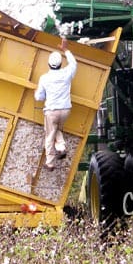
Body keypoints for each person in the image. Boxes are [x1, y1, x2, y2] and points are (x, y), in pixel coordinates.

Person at [34, 37, 77, 170]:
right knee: (57, 129)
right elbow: (74, 63)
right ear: (60, 64)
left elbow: (39, 97)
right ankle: (61, 147)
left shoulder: (44, 78)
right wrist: (66, 50)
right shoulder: (67, 73)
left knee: (49, 134)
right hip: (65, 110)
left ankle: (50, 163)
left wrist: (38, 93)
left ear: (49, 64)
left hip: (51, 111)